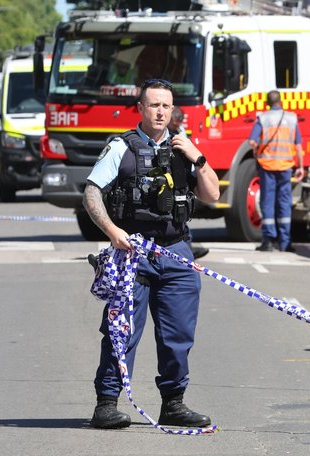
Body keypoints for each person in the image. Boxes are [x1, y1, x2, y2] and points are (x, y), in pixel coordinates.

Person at [82, 79, 220, 429]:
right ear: (140, 109)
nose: (161, 112)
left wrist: (198, 159)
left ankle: (173, 403)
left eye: (167, 106)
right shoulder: (121, 148)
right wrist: (113, 233)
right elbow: (92, 193)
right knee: (121, 330)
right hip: (134, 253)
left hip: (176, 253)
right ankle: (107, 404)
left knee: (178, 335)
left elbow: (213, 195)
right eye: (154, 105)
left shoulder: (183, 149)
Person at [247, 90, 305, 252]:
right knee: (284, 203)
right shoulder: (291, 118)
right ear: (280, 102)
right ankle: (285, 242)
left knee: (267, 202)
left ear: (267, 103)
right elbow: (298, 145)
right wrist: (300, 166)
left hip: (267, 166)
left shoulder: (263, 119)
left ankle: (268, 241)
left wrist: (257, 149)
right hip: (286, 167)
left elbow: (252, 141)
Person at [169, 106, 210, 260]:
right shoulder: (162, 133)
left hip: (181, 177)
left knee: (182, 212)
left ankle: (188, 246)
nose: (177, 126)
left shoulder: (180, 131)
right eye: (175, 124)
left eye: (179, 123)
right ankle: (187, 247)